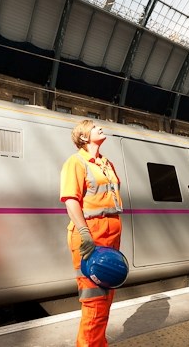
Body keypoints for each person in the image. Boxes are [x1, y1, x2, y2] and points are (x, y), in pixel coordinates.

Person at [60, 119, 123, 347]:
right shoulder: (76, 163)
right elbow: (70, 200)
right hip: (90, 238)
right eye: (95, 126)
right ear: (84, 137)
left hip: (110, 239)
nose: (100, 127)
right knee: (94, 301)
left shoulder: (107, 164)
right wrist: (85, 232)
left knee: (105, 299)